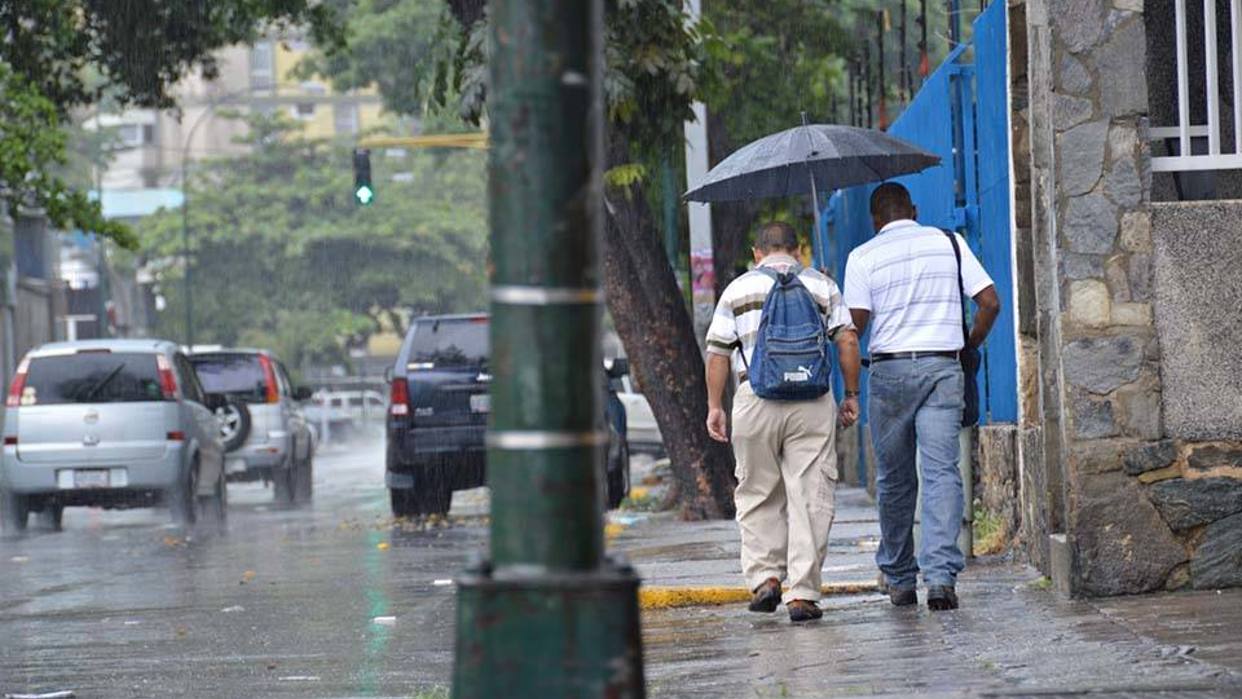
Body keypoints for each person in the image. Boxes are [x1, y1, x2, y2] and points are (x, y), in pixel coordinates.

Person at [843, 183, 1000, 611]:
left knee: (894, 479)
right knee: (941, 473)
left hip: (890, 373)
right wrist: (970, 343)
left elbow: (853, 328)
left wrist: (837, 307)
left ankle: (898, 577)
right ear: (913, 209)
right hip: (942, 367)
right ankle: (941, 578)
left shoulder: (862, 256)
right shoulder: (949, 242)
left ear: (876, 220)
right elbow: (989, 302)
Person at [704, 221, 862, 623]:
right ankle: (803, 594)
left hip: (755, 399)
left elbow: (718, 353)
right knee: (810, 494)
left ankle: (765, 579)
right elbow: (847, 340)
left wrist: (714, 407)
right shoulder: (821, 285)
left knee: (757, 491)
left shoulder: (738, 289)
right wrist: (851, 394)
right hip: (811, 401)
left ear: (757, 253)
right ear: (796, 250)